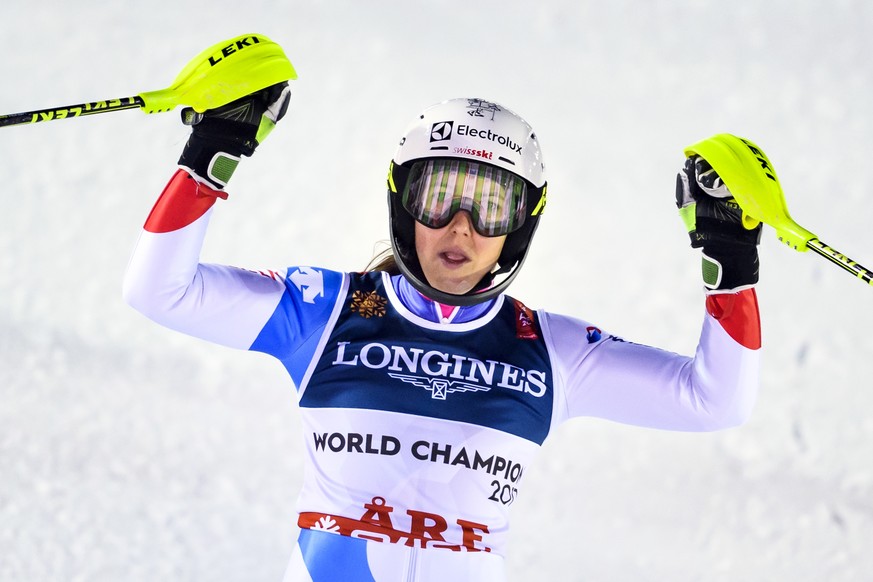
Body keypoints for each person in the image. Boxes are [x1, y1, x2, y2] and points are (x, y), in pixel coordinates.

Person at [123, 84, 762, 581]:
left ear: (521, 222)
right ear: (404, 201)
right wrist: (213, 150)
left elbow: (716, 400)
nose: (460, 227)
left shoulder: (552, 352)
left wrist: (730, 263)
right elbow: (160, 290)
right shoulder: (325, 312)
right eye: (439, 196)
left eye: (490, 207)